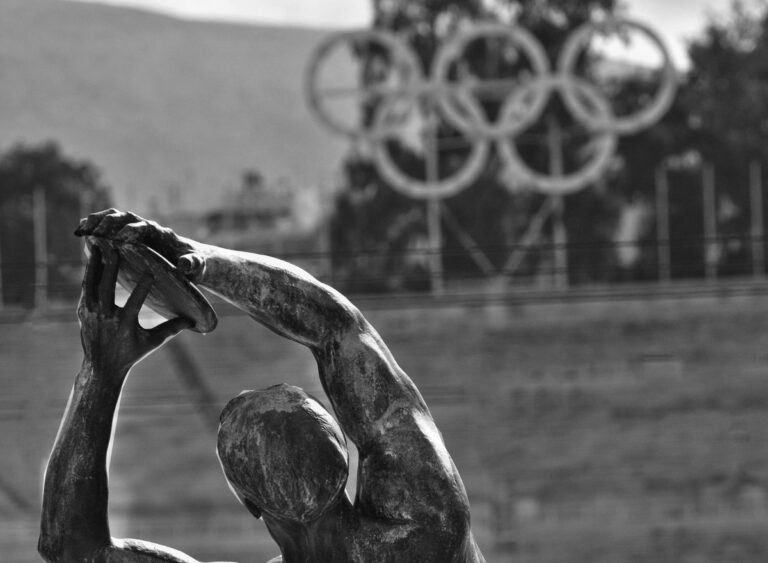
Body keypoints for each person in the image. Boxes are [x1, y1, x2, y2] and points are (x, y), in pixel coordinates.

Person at [39, 209, 484, 563]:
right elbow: (338, 329)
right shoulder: (430, 525)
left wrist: (100, 373)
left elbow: (73, 550)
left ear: (250, 502)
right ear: (344, 457)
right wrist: (203, 260)